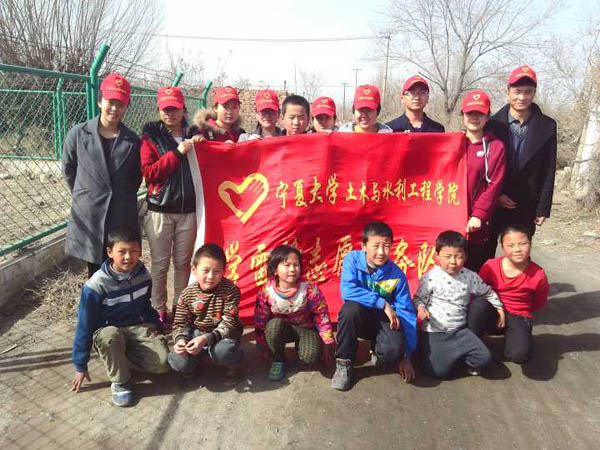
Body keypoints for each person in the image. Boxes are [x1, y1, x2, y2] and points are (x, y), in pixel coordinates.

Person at [70, 227, 169, 407]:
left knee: (163, 364)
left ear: (140, 251)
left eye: (134, 251)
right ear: (110, 252)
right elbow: (85, 325)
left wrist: (157, 325)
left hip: (137, 328)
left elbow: (146, 305)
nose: (128, 257)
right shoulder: (96, 285)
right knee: (110, 337)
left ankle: (123, 359)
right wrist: (80, 365)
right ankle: (120, 381)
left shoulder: (143, 275)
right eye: (121, 251)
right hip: (109, 331)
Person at [62, 73, 142, 279]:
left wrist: (120, 195)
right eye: (110, 102)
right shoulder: (78, 134)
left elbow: (135, 177)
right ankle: (96, 299)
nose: (114, 108)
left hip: (120, 213)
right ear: (99, 101)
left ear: (126, 106)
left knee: (120, 266)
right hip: (90, 211)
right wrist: (86, 193)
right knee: (95, 272)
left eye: (120, 104)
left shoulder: (132, 140)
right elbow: (69, 170)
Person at [332, 221, 417, 391]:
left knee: (392, 352)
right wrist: (383, 303)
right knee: (349, 311)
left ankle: (377, 350)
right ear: (364, 246)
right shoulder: (352, 260)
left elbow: (406, 312)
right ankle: (344, 363)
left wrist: (407, 356)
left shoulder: (396, 274)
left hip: (383, 321)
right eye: (375, 246)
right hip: (360, 317)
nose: (381, 252)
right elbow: (348, 291)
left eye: (386, 246)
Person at [484, 65, 557, 259]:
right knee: (486, 250)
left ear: (534, 94)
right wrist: (496, 195)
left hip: (527, 201)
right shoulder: (492, 124)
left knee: (520, 254)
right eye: (517, 92)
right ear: (508, 92)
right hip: (496, 199)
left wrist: (543, 207)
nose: (522, 97)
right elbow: (484, 167)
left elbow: (549, 168)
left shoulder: (547, 126)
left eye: (528, 92)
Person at [413, 230, 505, 378]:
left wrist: (500, 309)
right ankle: (429, 350)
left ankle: (459, 357)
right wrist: (421, 308)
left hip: (460, 331)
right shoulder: (430, 276)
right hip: (434, 331)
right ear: (437, 255)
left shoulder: (470, 276)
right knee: (437, 372)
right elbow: (418, 298)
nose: (453, 262)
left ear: (466, 257)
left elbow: (487, 292)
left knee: (484, 358)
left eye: (459, 256)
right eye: (448, 256)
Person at [140, 86, 197, 324]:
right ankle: (158, 308)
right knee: (160, 264)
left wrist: (200, 144)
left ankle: (180, 307)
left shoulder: (194, 134)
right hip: (160, 210)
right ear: (159, 110)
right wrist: (178, 152)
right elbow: (149, 172)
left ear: (183, 110)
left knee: (183, 263)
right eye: (165, 109)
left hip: (188, 210)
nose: (170, 113)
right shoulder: (151, 137)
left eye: (174, 108)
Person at [468, 223, 549, 363]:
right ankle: (473, 348)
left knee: (519, 356)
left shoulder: (538, 274)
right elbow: (479, 290)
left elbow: (538, 302)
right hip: (493, 312)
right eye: (510, 245)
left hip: (518, 315)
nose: (517, 249)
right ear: (502, 247)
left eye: (523, 244)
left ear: (530, 244)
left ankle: (520, 333)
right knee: (478, 304)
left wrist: (521, 315)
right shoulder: (490, 266)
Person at [254, 245, 335, 381]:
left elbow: (321, 316)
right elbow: (260, 321)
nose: (292, 269)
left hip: (306, 329)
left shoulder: (310, 289)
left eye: (296, 265)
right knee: (273, 325)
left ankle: (303, 347)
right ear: (275, 269)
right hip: (281, 329)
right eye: (287, 265)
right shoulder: (266, 292)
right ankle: (278, 360)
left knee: (309, 358)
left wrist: (328, 342)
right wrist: (262, 346)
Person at [168, 243, 244, 381]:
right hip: (196, 333)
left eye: (217, 271)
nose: (210, 276)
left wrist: (206, 339)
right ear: (194, 269)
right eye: (206, 270)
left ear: (224, 271)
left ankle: (234, 364)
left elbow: (229, 323)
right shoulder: (187, 294)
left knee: (224, 351)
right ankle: (194, 361)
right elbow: (180, 324)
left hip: (222, 336)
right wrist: (180, 340)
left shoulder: (231, 291)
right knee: (178, 360)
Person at [460, 90, 506, 272]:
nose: (474, 117)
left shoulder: (495, 147)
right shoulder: (452, 142)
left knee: (475, 270)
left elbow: (494, 185)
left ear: (487, 116)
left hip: (477, 222)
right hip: (452, 216)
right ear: (463, 115)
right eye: (470, 113)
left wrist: (479, 214)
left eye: (479, 113)